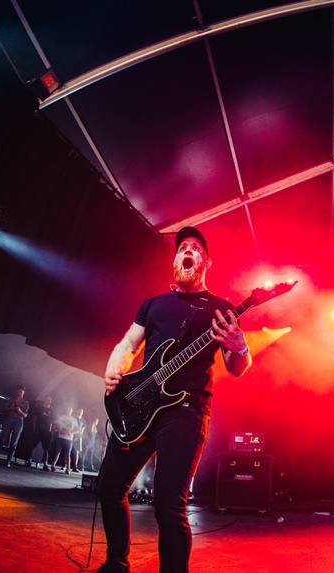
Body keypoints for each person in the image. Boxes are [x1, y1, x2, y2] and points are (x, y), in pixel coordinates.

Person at [98, 226, 252, 573]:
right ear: (175, 261)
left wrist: (240, 346)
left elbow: (236, 366)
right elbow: (128, 345)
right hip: (140, 405)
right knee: (109, 487)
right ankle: (116, 564)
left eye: (196, 248)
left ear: (205, 262)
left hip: (185, 409)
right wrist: (114, 369)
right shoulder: (152, 305)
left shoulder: (221, 308)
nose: (188, 251)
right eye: (183, 247)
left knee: (168, 504)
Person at [0, 385, 30, 466]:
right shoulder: (11, 400)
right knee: (2, 438)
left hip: (19, 420)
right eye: (18, 391)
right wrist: (10, 409)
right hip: (9, 418)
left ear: (24, 392)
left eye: (21, 392)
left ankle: (8, 460)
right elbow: (5, 409)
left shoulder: (26, 402)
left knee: (14, 441)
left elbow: (25, 415)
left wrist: (19, 410)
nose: (19, 393)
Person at [47, 404, 78, 474]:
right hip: (61, 437)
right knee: (57, 452)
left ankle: (68, 468)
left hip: (69, 439)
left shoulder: (74, 419)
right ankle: (53, 465)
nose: (68, 411)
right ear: (66, 410)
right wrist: (61, 431)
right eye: (67, 409)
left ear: (71, 411)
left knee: (68, 454)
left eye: (70, 410)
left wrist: (70, 432)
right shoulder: (62, 417)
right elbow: (57, 425)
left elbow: (77, 429)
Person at [29, 395, 55, 469]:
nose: (48, 401)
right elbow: (34, 418)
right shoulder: (39, 408)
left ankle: (45, 464)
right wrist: (34, 428)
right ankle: (29, 461)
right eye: (47, 399)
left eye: (49, 399)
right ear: (44, 400)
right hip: (39, 429)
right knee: (33, 445)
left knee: (46, 448)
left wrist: (52, 432)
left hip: (47, 432)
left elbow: (53, 422)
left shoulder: (51, 410)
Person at [70, 407, 85, 473]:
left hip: (78, 438)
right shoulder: (73, 418)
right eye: (79, 411)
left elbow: (83, 428)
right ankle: (66, 465)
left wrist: (80, 435)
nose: (80, 413)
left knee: (76, 452)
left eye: (81, 412)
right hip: (72, 436)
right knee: (69, 451)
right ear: (76, 412)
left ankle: (75, 466)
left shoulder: (83, 421)